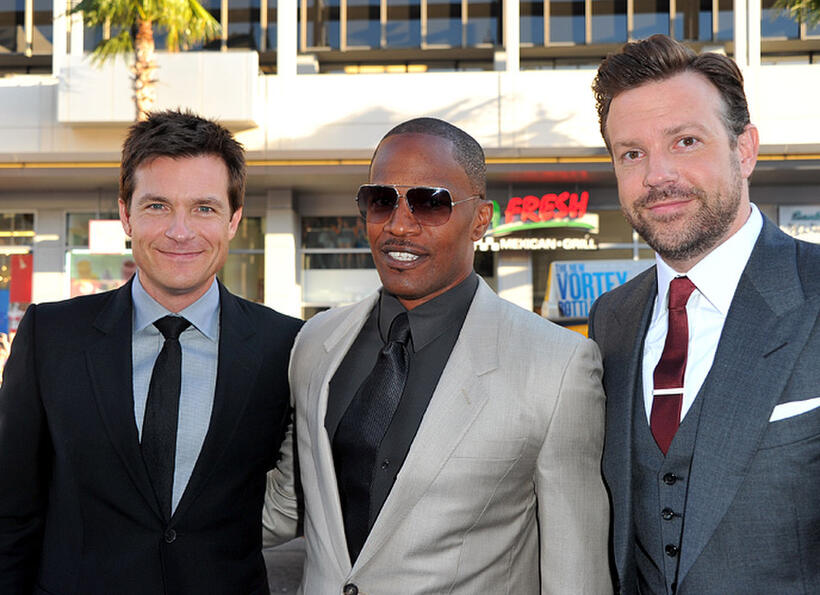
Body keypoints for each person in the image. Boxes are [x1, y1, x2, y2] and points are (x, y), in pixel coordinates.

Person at [264, 117, 611, 594]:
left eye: (431, 203)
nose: (399, 225)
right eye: (381, 200)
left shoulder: (558, 367)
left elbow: (576, 574)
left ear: (481, 220)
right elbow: (290, 504)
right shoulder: (315, 342)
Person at [0, 110, 302, 594]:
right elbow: (11, 510)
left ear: (234, 220)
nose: (180, 232)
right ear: (126, 214)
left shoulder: (286, 346)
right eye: (158, 206)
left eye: (204, 208)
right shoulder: (51, 336)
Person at [588, 35, 820, 594]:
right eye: (632, 153)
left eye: (686, 141)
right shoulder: (610, 321)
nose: (656, 176)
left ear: (745, 150)